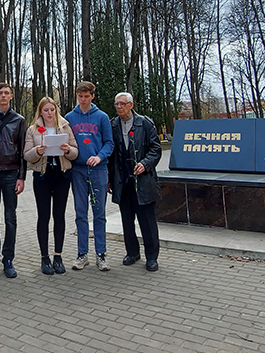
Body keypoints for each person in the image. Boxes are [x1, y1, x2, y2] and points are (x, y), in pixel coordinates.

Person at [23, 96, 79, 275]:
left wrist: (68, 150)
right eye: (46, 110)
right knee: (44, 216)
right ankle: (44, 257)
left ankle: (58, 256)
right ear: (40, 111)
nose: (49, 113)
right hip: (42, 176)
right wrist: (37, 151)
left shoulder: (65, 127)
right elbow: (26, 155)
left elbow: (75, 151)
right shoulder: (33, 130)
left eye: (52, 110)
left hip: (62, 174)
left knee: (59, 215)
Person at [109, 93, 163, 272]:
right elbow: (111, 156)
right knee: (127, 220)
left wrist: (145, 164)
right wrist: (110, 179)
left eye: (122, 104)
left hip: (143, 181)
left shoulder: (144, 123)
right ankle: (132, 253)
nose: (119, 107)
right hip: (123, 181)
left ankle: (152, 257)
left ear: (131, 105)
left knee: (147, 221)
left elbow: (156, 149)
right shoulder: (113, 125)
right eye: (116, 104)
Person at [65, 81, 114, 271]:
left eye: (87, 96)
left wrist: (99, 156)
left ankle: (101, 254)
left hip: (98, 170)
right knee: (80, 212)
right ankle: (82, 254)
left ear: (93, 96)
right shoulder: (69, 118)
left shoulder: (102, 117)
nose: (83, 99)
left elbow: (109, 143)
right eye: (80, 96)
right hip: (78, 170)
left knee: (99, 213)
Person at [0, 82, 27, 279]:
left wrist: (21, 177)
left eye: (6, 93)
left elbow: (23, 149)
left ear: (11, 96)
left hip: (11, 173)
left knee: (10, 218)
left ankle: (8, 259)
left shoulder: (19, 120)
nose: (3, 96)